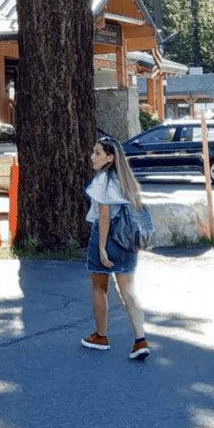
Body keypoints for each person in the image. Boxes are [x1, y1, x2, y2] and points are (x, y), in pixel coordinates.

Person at [81, 135, 150, 360]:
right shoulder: (127, 180)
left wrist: (101, 247)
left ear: (110, 157)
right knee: (128, 289)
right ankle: (140, 339)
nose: (92, 157)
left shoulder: (103, 180)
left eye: (98, 153)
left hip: (106, 238)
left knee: (99, 287)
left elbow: (104, 216)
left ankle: (101, 336)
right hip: (128, 239)